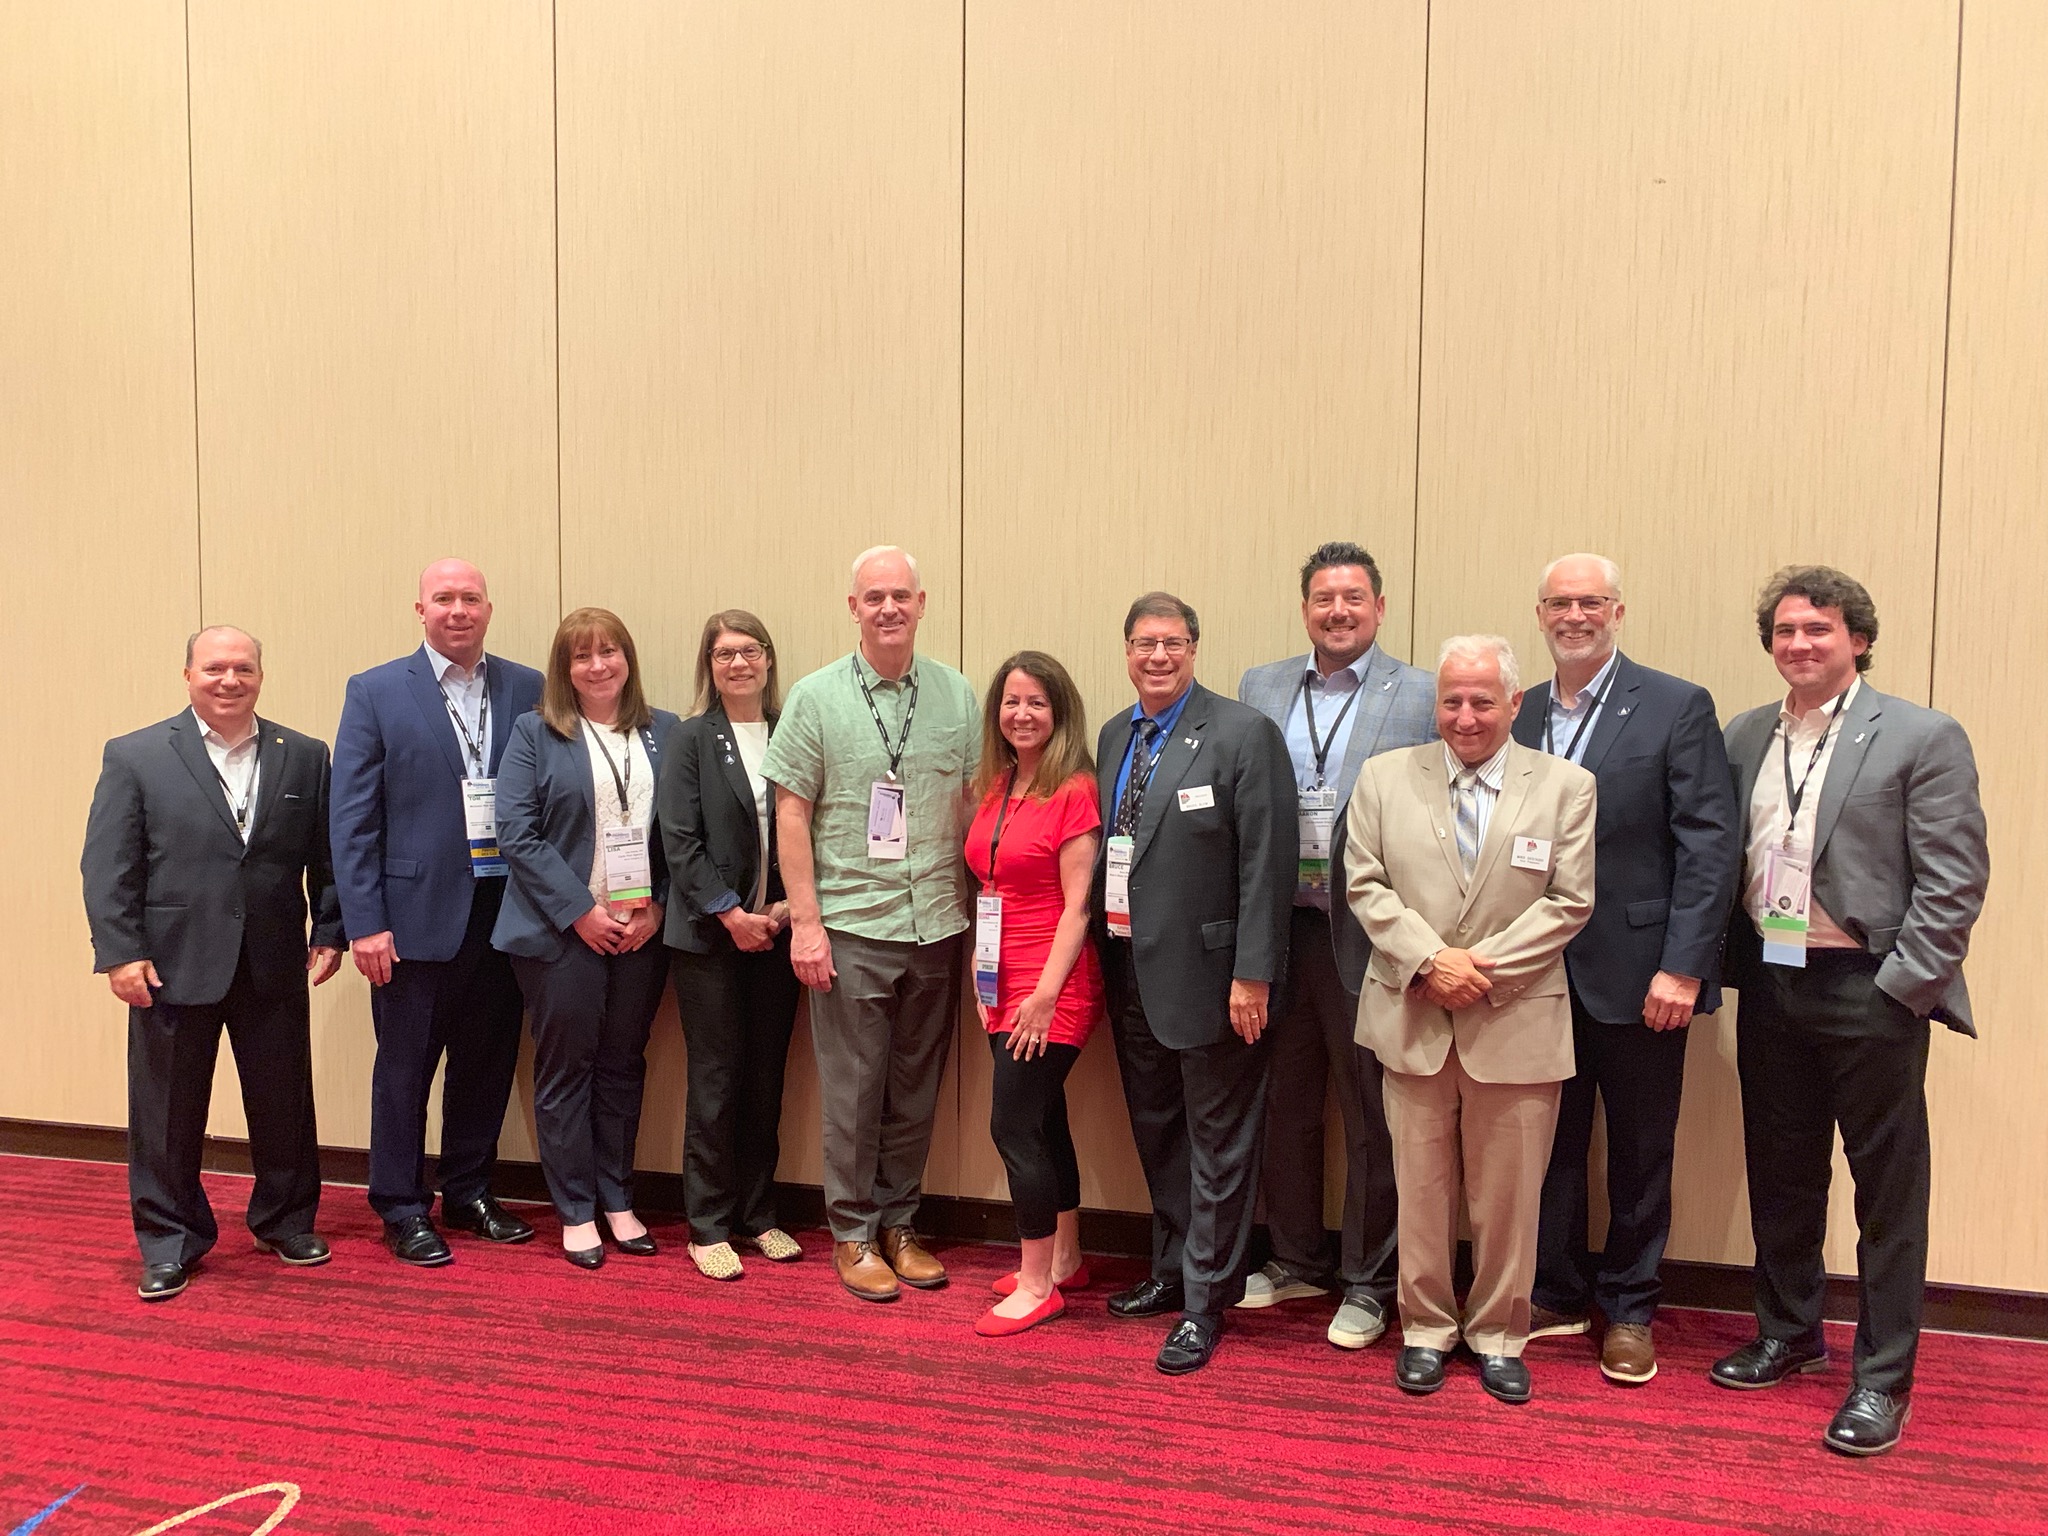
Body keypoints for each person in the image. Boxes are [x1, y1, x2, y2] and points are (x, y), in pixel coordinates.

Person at [1712, 566, 1988, 1458]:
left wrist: (1902, 988)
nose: (1799, 644)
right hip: (1772, 977)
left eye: (1819, 629)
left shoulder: (1920, 734)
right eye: (1785, 631)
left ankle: (1883, 1378)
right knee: (1783, 1172)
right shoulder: (1746, 735)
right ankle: (1789, 1333)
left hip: (1871, 986)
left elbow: (1954, 882)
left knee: (1886, 1193)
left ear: (1858, 639)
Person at [1344, 635, 1595, 1405]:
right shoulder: (1385, 778)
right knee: (1418, 1188)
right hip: (1412, 1013)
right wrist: (1430, 961)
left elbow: (1569, 900)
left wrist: (1477, 971)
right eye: (1451, 699)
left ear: (1515, 703)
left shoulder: (1566, 786)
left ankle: (1498, 1333)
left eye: (1483, 699)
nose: (1465, 714)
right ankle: (1423, 1327)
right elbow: (1365, 882)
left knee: (1510, 1197)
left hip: (1516, 1017)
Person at [1512, 554, 1741, 1385]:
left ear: (1618, 611)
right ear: (1540, 615)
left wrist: (1684, 966)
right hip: (1534, 976)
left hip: (1644, 973)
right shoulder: (1521, 711)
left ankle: (1633, 1309)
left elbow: (1709, 845)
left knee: (1641, 1150)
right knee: (1549, 1146)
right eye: (1560, 603)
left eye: (1591, 601)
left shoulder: (1676, 705)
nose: (1575, 615)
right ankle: (1558, 1290)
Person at [82, 626, 346, 1302]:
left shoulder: (304, 756)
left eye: (244, 668)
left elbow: (326, 854)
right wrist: (120, 951)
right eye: (214, 668)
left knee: (284, 1101)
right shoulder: (137, 755)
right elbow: (109, 865)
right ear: (188, 674)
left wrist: (332, 928)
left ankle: (285, 1221)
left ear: (262, 674)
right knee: (168, 1111)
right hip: (171, 964)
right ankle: (170, 1241)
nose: (229, 680)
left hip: (273, 958)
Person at [761, 546, 980, 1302]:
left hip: (937, 925)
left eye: (902, 596)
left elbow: (973, 807)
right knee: (854, 1091)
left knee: (915, 1087)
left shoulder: (957, 696)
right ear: (852, 607)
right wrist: (808, 926)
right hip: (851, 926)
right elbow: (790, 813)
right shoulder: (816, 698)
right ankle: (852, 1231)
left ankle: (899, 1223)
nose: (889, 608)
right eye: (873, 596)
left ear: (923, 603)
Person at [1236, 541, 1436, 1350]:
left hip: (1372, 933)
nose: (1338, 611)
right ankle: (1292, 1257)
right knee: (1284, 1101)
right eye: (1323, 599)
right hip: (1281, 929)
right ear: (1306, 608)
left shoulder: (1420, 694)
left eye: (1354, 598)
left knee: (1370, 1113)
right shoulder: (1263, 685)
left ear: (1379, 608)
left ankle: (1368, 1278)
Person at [1094, 592, 1295, 1375]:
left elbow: (1265, 866)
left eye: (1171, 643)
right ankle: (1174, 1269)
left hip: (1217, 981)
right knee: (1159, 1131)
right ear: (1127, 650)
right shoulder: (1116, 735)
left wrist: (1253, 975)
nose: (1157, 657)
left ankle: (1208, 1302)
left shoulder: (1243, 733)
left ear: (1194, 648)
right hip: (1130, 969)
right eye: (1143, 643)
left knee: (1219, 1144)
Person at [331, 559, 545, 1266]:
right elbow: (353, 818)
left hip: (505, 912)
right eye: (444, 598)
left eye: (471, 598)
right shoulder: (376, 691)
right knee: (404, 1071)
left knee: (485, 1064)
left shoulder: (527, 687)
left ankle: (470, 1191)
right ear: (419, 608)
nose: (459, 609)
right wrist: (363, 922)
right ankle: (399, 1204)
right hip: (410, 918)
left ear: (490, 607)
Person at [492, 609, 678, 1268]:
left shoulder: (665, 732)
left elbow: (681, 835)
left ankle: (617, 1198)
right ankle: (574, 1209)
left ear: (628, 658)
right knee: (566, 1067)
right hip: (560, 932)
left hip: (641, 932)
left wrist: (657, 906)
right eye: (582, 656)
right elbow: (515, 831)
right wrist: (579, 911)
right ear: (563, 669)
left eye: (610, 651)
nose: (598, 665)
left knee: (623, 1065)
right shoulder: (535, 732)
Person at [659, 611, 804, 1282]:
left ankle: (758, 1213)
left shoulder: (792, 732)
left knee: (765, 1078)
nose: (738, 663)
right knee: (715, 1081)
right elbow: (680, 842)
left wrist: (784, 909)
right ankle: (708, 1224)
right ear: (709, 666)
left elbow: (812, 827)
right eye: (724, 654)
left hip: (779, 933)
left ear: (769, 660)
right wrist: (730, 912)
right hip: (708, 940)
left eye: (749, 650)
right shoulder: (691, 739)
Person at [963, 652, 1105, 1337]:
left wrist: (1046, 995)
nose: (1022, 714)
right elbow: (991, 885)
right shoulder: (999, 784)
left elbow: (1080, 906)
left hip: (1053, 983)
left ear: (1060, 713)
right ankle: (1067, 1257)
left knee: (1012, 1125)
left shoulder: (1073, 788)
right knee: (1044, 1121)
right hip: (1001, 980)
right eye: (1012, 701)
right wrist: (982, 975)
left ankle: (1037, 1283)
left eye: (1037, 704)